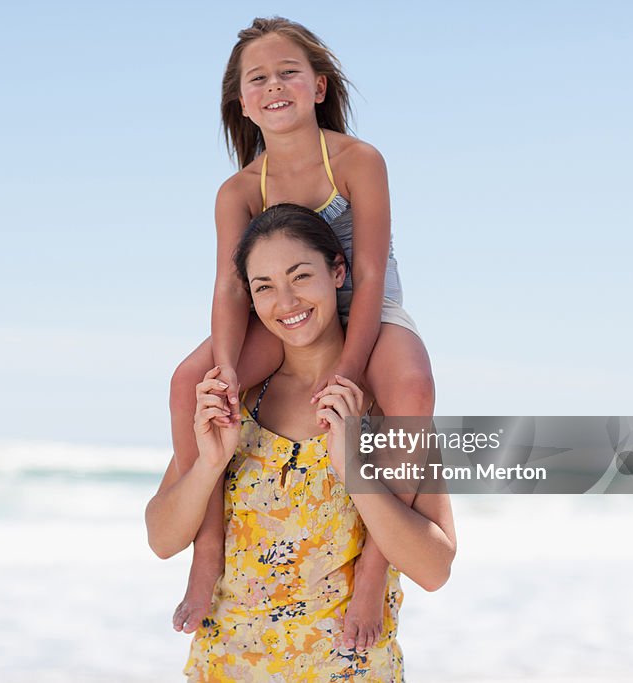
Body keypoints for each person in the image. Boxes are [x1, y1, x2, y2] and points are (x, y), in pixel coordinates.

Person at [166, 16, 435, 650]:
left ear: (318, 86)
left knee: (412, 383)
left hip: (365, 303)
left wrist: (349, 369)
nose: (274, 86)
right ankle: (206, 547)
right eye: (257, 78)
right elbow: (233, 290)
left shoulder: (357, 160)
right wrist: (227, 367)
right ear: (241, 100)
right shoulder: (238, 190)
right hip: (285, 311)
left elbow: (366, 275)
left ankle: (375, 564)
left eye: (288, 72)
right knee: (189, 380)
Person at [146, 204, 456, 680]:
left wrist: (354, 469)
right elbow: (163, 539)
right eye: (264, 287)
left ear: (338, 271)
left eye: (300, 276)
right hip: (228, 665)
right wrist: (209, 464)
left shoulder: (385, 406)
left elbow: (435, 569)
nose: (285, 302)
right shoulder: (240, 399)